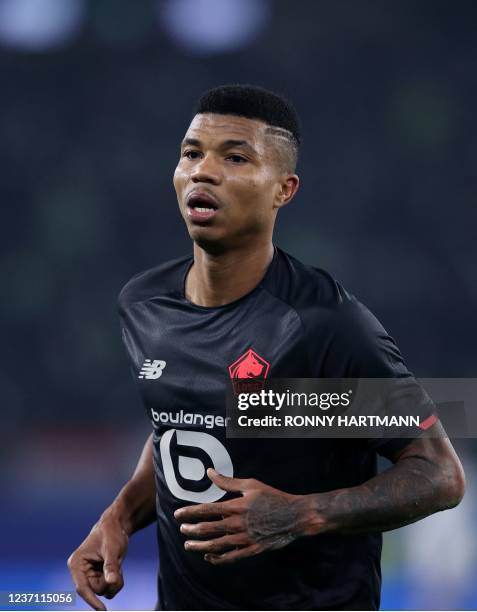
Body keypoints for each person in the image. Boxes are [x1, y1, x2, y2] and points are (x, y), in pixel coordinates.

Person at [68, 85, 465, 611]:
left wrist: (301, 514)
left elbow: (439, 474)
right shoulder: (144, 305)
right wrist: (116, 519)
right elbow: (178, 425)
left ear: (285, 189)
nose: (203, 171)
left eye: (235, 157)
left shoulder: (324, 326)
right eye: (192, 153)